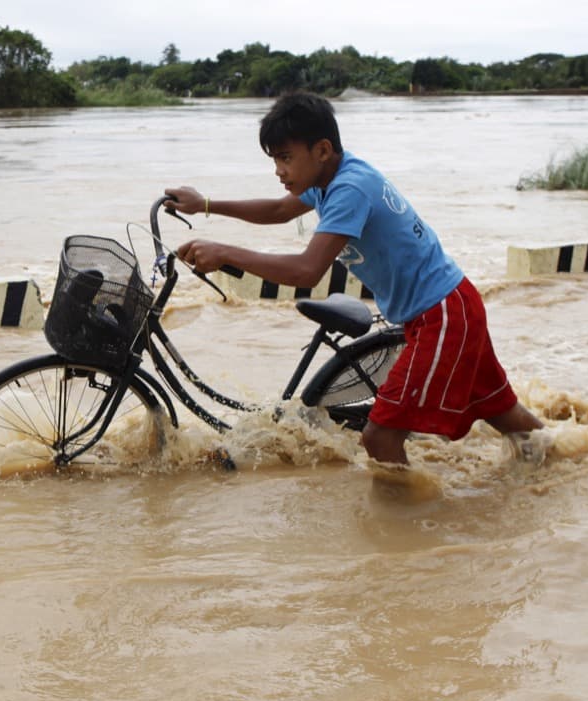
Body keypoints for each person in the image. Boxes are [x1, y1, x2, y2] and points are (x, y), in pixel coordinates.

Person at [165, 91, 545, 467]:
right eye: (275, 160)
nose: (279, 170)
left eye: (285, 158)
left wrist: (227, 253)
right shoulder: (331, 177)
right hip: (448, 307)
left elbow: (306, 270)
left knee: (379, 437)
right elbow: (280, 210)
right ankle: (560, 465)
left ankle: (406, 525)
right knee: (502, 413)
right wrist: (206, 205)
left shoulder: (349, 189)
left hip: (441, 314)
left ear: (322, 149)